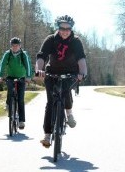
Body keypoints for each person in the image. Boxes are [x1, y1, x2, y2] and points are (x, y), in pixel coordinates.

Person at [35, 15, 87, 148]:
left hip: (70, 73)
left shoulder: (76, 41)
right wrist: (39, 70)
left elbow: (81, 59)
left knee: (65, 91)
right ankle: (47, 135)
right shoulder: (51, 39)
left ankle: (69, 113)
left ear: (71, 29)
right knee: (50, 102)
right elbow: (42, 56)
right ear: (58, 28)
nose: (65, 31)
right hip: (51, 72)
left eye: (67, 28)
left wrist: (83, 73)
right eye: (62, 28)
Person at [0, 37, 33, 129]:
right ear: (11, 46)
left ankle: (21, 121)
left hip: (21, 78)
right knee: (10, 92)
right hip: (10, 77)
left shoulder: (23, 54)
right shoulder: (7, 54)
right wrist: (0, 75)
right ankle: (8, 104)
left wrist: (29, 77)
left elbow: (28, 65)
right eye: (13, 45)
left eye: (16, 45)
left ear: (20, 46)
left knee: (20, 99)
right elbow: (2, 64)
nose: (15, 47)